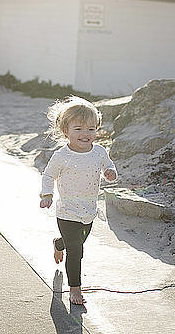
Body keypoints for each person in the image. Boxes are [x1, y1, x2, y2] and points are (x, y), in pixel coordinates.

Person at [39, 96, 117, 305]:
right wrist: (47, 194)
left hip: (88, 211)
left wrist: (110, 172)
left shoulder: (99, 151)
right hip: (66, 212)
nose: (86, 134)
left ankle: (59, 243)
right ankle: (75, 289)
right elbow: (48, 176)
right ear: (66, 131)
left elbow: (109, 165)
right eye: (79, 129)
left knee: (77, 243)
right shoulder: (62, 156)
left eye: (91, 129)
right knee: (77, 252)